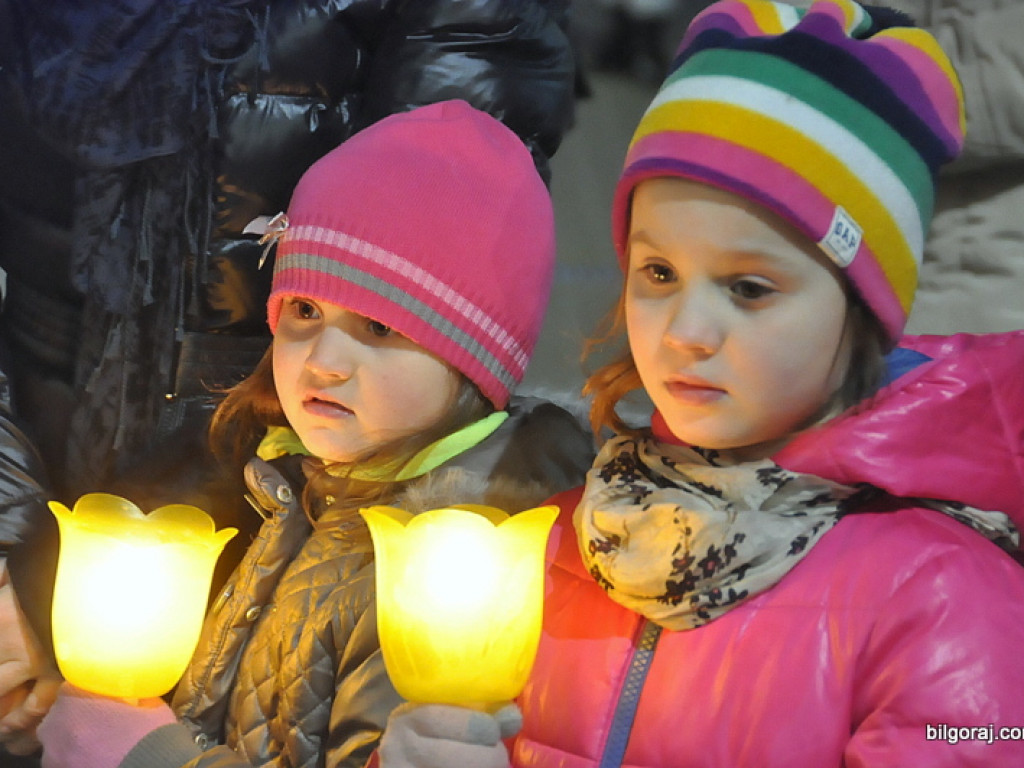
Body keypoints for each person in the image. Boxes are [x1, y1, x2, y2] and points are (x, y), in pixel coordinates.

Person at [371, 1, 1024, 766]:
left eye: (748, 288)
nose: (684, 330)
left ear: (861, 309)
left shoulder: (951, 603)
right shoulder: (561, 544)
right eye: (658, 272)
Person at [0, 0, 577, 758]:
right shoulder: (284, 491)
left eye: (379, 328)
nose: (325, 359)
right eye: (303, 309)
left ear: (474, 360)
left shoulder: (441, 583)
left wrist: (143, 753)